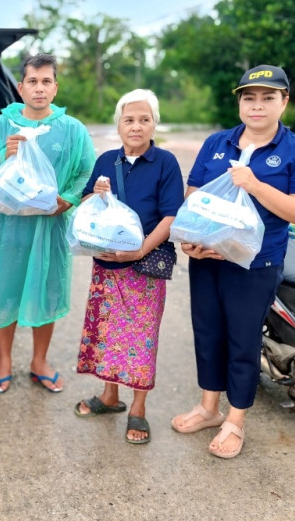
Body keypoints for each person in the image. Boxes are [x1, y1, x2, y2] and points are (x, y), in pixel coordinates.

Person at [172, 65, 295, 458]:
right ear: (239, 102)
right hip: (208, 257)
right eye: (249, 97)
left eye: (268, 97)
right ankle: (209, 407)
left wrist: (255, 186)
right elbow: (193, 196)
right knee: (207, 332)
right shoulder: (217, 142)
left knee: (243, 340)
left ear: (284, 102)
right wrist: (193, 240)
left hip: (256, 264)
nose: (257, 105)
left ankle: (235, 420)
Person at [0, 53, 96, 394]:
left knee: (46, 290)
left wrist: (68, 199)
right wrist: (4, 155)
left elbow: (87, 170)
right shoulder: (0, 126)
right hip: (7, 229)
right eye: (32, 81)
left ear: (55, 88)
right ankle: (4, 360)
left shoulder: (72, 129)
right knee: (5, 290)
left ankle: (39, 361)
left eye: (46, 82)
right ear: (20, 87)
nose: (39, 88)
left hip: (49, 228)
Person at [73, 89, 184, 445]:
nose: (136, 126)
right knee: (106, 333)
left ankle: (138, 408)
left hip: (145, 266)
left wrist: (139, 251)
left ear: (154, 125)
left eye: (144, 120)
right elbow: (86, 203)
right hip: (106, 265)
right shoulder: (107, 160)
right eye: (129, 120)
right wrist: (96, 194)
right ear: (119, 125)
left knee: (140, 339)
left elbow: (171, 215)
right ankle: (109, 396)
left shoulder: (165, 162)